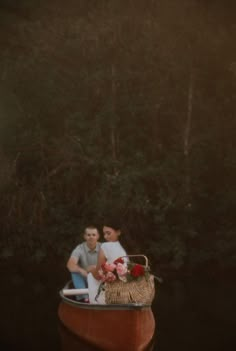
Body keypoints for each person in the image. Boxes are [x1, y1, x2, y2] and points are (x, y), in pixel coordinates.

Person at [87, 220, 127, 304]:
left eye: (108, 233)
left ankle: (96, 302)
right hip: (128, 292)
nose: (105, 237)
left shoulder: (106, 246)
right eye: (104, 234)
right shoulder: (128, 248)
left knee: (91, 275)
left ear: (118, 232)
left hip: (111, 293)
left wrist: (90, 269)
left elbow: (98, 275)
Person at [67, 225, 101, 302]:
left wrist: (96, 268)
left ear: (98, 236)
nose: (91, 237)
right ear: (85, 236)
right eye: (88, 235)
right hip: (85, 277)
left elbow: (111, 263)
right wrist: (81, 270)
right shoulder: (80, 248)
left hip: (100, 276)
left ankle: (105, 295)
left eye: (93, 235)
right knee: (75, 271)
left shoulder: (103, 247)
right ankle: (85, 298)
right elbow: (70, 265)